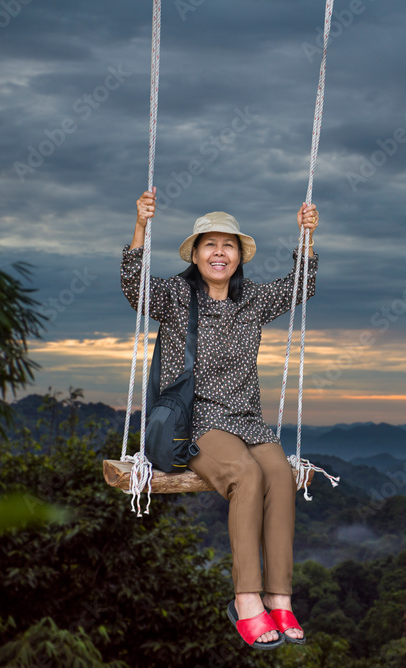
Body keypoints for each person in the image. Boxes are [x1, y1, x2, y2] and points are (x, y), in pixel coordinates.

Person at [121, 190, 319, 649]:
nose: (218, 253)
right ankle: (246, 599)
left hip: (248, 420)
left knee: (280, 476)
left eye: (227, 245)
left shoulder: (252, 300)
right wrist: (140, 226)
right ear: (194, 253)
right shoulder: (174, 296)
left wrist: (307, 236)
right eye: (209, 244)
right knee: (246, 476)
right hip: (199, 422)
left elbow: (302, 284)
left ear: (238, 256)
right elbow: (134, 286)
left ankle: (280, 596)